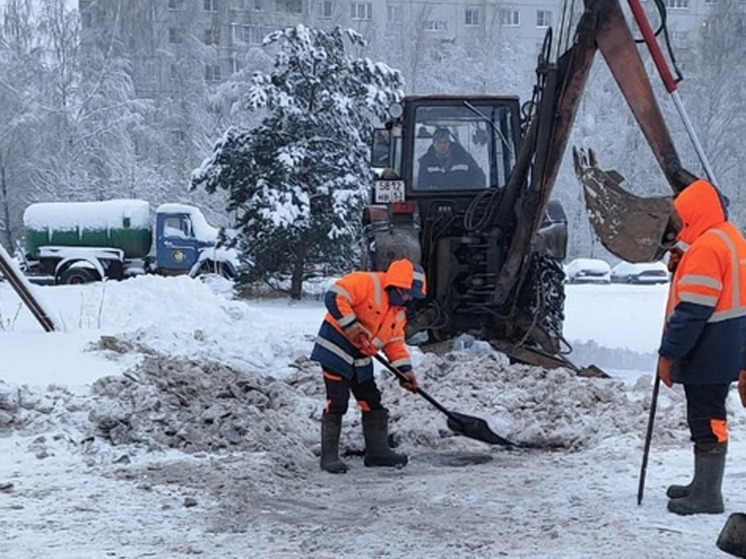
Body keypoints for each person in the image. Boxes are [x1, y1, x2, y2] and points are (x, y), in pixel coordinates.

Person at [656, 177, 746, 515]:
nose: (678, 228)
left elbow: (692, 311)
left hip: (708, 350)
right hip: (729, 345)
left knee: (706, 420)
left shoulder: (706, 249)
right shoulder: (731, 237)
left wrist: (668, 354)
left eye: (681, 219)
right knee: (709, 416)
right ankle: (702, 484)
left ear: (692, 214)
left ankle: (708, 496)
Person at [310, 258, 427, 474]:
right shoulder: (366, 282)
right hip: (335, 349)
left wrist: (405, 371)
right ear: (395, 285)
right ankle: (329, 457)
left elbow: (393, 342)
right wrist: (352, 326)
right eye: (406, 293)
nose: (409, 298)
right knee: (337, 401)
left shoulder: (398, 310)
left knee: (371, 401)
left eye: (412, 295)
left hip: (360, 357)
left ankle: (377, 452)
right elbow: (335, 296)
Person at [417, 127, 486, 190]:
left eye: (445, 142)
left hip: (463, 197)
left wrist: (474, 192)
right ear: (434, 144)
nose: (442, 146)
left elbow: (478, 176)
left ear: (449, 143)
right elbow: (422, 185)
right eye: (439, 142)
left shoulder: (464, 158)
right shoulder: (426, 162)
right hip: (436, 199)